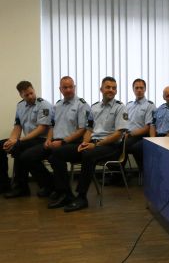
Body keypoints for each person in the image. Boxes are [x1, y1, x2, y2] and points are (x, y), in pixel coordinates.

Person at [60, 76, 128, 212]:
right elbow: (89, 129)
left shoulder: (121, 107)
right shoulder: (94, 107)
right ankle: (64, 193)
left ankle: (81, 197)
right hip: (92, 144)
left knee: (88, 155)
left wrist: (95, 145)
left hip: (112, 146)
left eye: (114, 88)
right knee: (58, 153)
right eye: (108, 87)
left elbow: (118, 134)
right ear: (101, 89)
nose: (111, 90)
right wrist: (84, 143)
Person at [29, 76, 90, 208]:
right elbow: (52, 126)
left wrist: (62, 142)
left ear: (74, 87)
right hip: (57, 142)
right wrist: (49, 139)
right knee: (28, 157)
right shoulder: (57, 105)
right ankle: (51, 186)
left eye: (70, 87)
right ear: (60, 89)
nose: (68, 90)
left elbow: (82, 130)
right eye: (65, 87)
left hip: (74, 144)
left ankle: (66, 194)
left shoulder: (81, 104)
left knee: (55, 156)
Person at [1, 81, 53, 197]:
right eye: (26, 95)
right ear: (21, 95)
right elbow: (17, 126)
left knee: (18, 147)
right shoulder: (20, 105)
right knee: (2, 145)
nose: (30, 96)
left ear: (34, 90)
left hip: (41, 139)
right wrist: (11, 140)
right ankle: (4, 184)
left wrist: (18, 141)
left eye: (31, 93)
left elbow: (42, 128)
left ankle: (21, 187)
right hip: (27, 140)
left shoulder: (43, 105)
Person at [124, 78, 156, 173]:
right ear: (133, 89)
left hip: (141, 135)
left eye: (141, 88)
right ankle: (120, 173)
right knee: (118, 144)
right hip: (128, 135)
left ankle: (144, 172)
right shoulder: (128, 105)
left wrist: (129, 134)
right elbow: (124, 122)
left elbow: (147, 128)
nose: (139, 90)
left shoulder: (150, 105)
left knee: (124, 145)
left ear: (145, 89)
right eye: (136, 88)